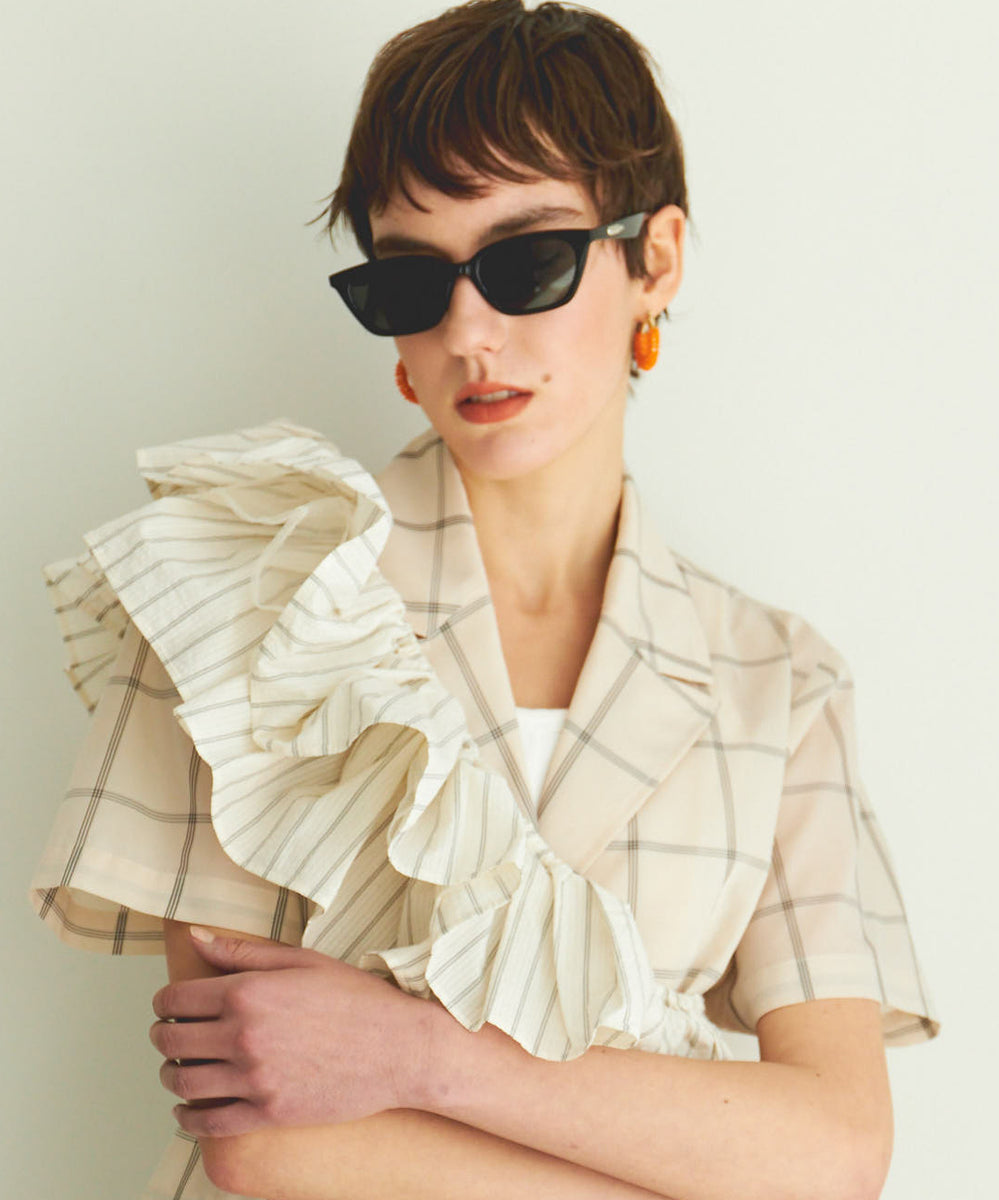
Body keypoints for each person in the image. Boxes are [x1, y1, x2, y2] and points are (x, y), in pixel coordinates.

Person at [31, 2, 938, 1197]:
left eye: (526, 263)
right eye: (412, 280)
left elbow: (836, 1151)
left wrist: (419, 1056)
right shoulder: (248, 591)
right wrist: (697, 1154)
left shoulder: (778, 680)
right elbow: (261, 1142)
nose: (468, 331)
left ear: (655, 261)